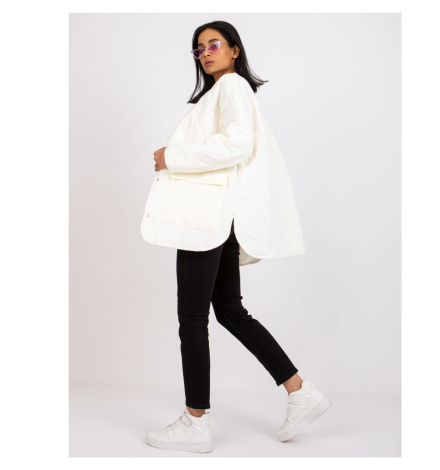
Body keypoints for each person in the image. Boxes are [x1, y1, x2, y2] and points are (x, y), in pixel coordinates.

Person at [142, 21, 332, 454]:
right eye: (199, 49)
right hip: (219, 216)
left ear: (234, 49)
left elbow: (237, 145)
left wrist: (172, 156)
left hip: (208, 218)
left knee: (193, 318)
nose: (206, 53)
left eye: (214, 44)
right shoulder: (223, 92)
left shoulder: (231, 86)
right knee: (229, 311)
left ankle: (195, 422)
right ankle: (300, 391)